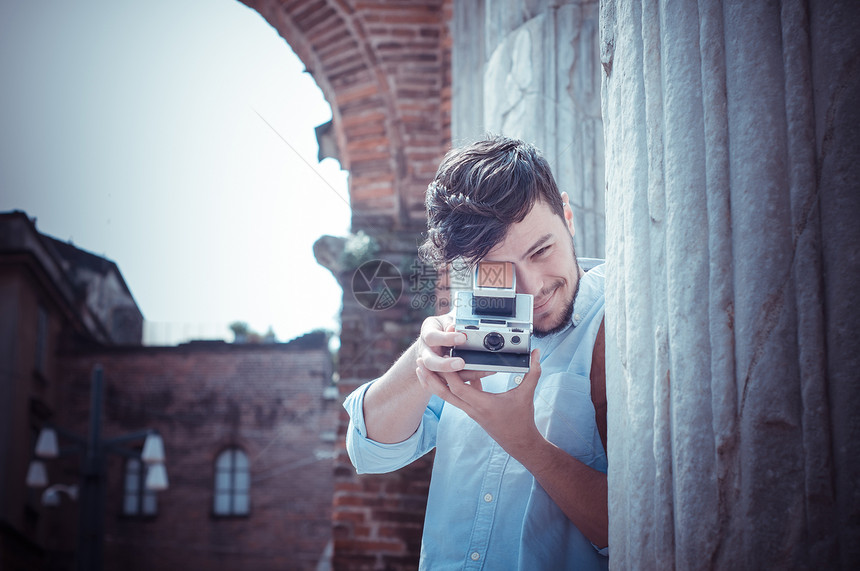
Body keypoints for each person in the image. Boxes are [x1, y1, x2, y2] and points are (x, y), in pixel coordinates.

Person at [343, 136, 608, 569]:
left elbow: (643, 528)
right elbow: (369, 452)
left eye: (541, 250)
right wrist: (422, 361)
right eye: (497, 269)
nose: (532, 287)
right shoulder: (469, 327)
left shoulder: (622, 316)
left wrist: (523, 441)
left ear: (569, 216)